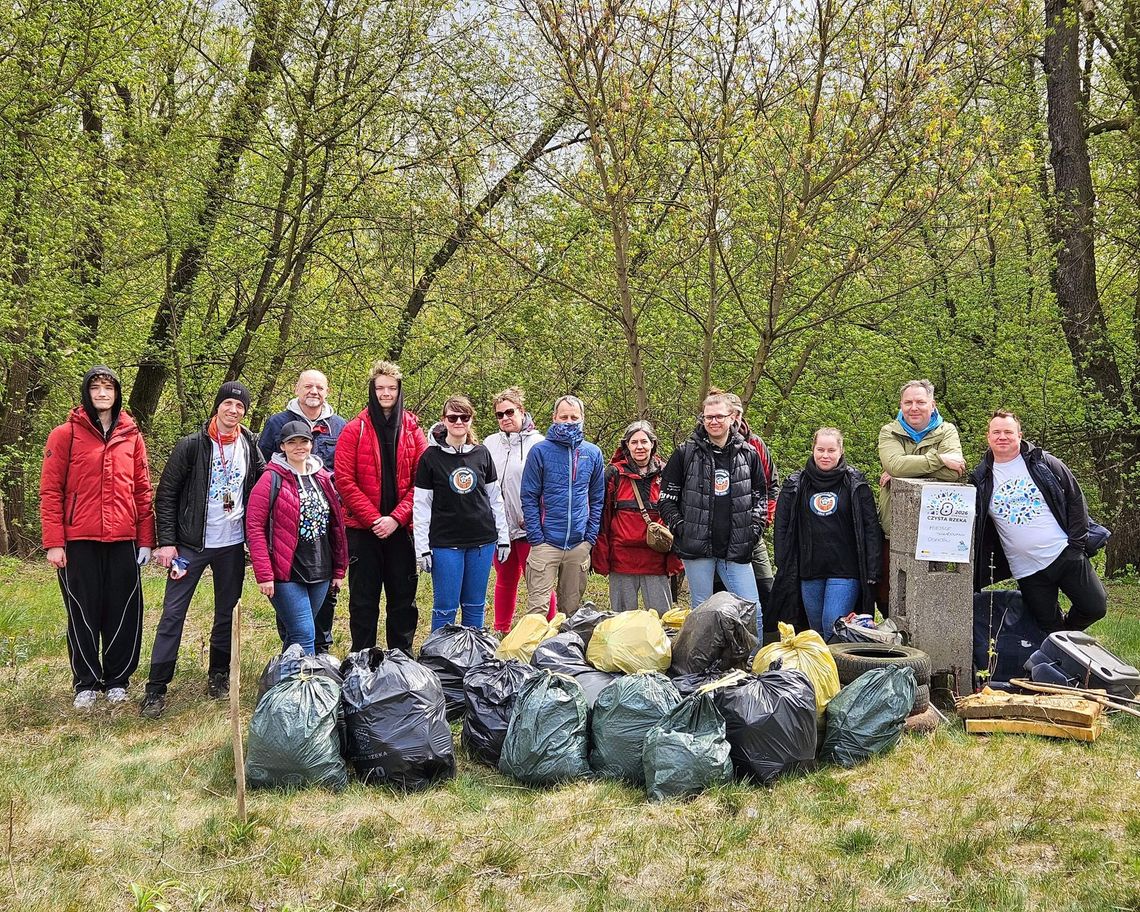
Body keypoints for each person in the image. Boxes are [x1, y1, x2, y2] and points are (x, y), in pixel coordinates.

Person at [141, 381, 266, 719]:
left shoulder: (250, 444)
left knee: (227, 613)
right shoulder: (192, 446)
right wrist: (166, 542)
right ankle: (156, 688)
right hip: (190, 546)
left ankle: (219, 675)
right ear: (217, 406)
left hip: (231, 547)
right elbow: (166, 496)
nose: (234, 410)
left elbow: (263, 485)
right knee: (172, 615)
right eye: (228, 404)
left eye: (240, 406)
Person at [40, 366, 155, 710]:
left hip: (123, 538)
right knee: (83, 611)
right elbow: (50, 491)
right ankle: (86, 682)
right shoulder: (65, 434)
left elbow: (142, 490)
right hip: (79, 539)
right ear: (86, 393)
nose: (103, 394)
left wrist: (146, 539)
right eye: (96, 388)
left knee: (124, 611)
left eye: (109, 388)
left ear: (117, 394)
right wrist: (55, 542)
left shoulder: (131, 435)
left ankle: (118, 680)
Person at [970, 410, 1107, 632]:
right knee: (1047, 627)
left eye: (1008, 432)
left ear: (1019, 435)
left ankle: (1068, 638)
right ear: (988, 437)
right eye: (996, 432)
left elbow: (1075, 500)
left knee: (1094, 607)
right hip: (1026, 569)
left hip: (1064, 553)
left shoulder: (1043, 462)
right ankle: (1063, 653)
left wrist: (1076, 546)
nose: (1002, 436)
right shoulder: (981, 478)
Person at [334, 360, 427, 651]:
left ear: (399, 391)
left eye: (391, 388)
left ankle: (401, 659)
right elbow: (345, 481)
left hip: (402, 529)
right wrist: (375, 519)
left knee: (402, 599)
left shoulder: (413, 430)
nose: (386, 393)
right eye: (380, 388)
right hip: (364, 530)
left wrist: (396, 519)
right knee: (363, 600)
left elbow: (423, 484)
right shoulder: (354, 429)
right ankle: (363, 658)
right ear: (372, 391)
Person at [658, 391, 766, 627]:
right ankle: (701, 663)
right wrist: (680, 527)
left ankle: (753, 662)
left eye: (718, 416)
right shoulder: (685, 453)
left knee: (751, 609)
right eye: (708, 417)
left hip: (736, 547)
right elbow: (665, 499)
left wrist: (754, 531)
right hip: (697, 548)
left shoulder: (749, 454)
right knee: (702, 613)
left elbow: (761, 498)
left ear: (731, 418)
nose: (713, 422)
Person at [258, 369, 346, 653]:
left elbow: (343, 476)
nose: (314, 391)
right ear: (297, 389)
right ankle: (300, 677)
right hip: (287, 547)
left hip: (323, 545)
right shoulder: (277, 424)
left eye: (319, 387)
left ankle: (315, 657)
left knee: (317, 615)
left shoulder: (339, 426)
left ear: (327, 391)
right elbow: (260, 470)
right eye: (308, 386)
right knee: (299, 626)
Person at [770, 427, 883, 636]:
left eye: (831, 450)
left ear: (841, 451)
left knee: (833, 625)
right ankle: (821, 669)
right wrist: (783, 562)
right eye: (820, 449)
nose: (825, 455)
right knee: (814, 631)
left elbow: (870, 528)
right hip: (809, 569)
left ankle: (838, 668)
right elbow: (782, 526)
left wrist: (873, 568)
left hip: (845, 570)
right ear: (812, 449)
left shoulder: (855, 483)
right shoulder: (796, 483)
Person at [413, 396, 510, 629]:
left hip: (481, 542)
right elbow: (422, 505)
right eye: (453, 417)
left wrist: (504, 538)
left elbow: (495, 498)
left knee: (475, 605)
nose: (459, 422)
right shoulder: (430, 457)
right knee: (446, 606)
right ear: (443, 420)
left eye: (464, 417)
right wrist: (422, 548)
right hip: (445, 543)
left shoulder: (482, 453)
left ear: (470, 420)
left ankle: (474, 658)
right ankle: (440, 659)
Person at [876, 379, 966, 613]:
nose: (913, 407)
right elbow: (895, 464)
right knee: (889, 592)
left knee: (933, 595)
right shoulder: (889, 431)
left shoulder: (947, 431)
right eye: (908, 402)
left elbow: (953, 474)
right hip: (894, 528)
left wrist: (903, 468)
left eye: (920, 402)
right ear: (901, 405)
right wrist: (939, 460)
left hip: (937, 530)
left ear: (932, 405)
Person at [520, 395, 605, 617]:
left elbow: (597, 498)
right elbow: (528, 496)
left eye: (574, 417)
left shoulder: (593, 453)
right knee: (537, 610)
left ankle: (568, 650)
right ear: (554, 418)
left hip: (578, 545)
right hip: (545, 544)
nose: (569, 421)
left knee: (571, 611)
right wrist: (536, 538)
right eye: (564, 416)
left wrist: (589, 539)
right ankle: (534, 649)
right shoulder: (540, 451)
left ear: (582, 418)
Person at [484, 387, 555, 633]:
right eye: (499, 414)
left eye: (509, 412)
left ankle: (549, 629)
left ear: (522, 411)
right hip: (500, 526)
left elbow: (550, 487)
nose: (505, 418)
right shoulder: (490, 443)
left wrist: (539, 516)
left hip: (530, 525)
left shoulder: (540, 443)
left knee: (537, 581)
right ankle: (501, 630)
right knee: (505, 579)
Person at [592, 420, 683, 613]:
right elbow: (603, 517)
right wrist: (601, 554)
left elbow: (677, 513)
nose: (639, 447)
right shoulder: (614, 474)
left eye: (644, 441)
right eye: (634, 442)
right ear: (626, 445)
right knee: (622, 619)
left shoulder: (667, 473)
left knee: (661, 618)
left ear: (652, 444)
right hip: (622, 557)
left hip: (656, 557)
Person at [724, 392, 779, 620]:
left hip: (751, 532)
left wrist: (762, 522)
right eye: (730, 413)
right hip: (718, 537)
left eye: (738, 413)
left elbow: (772, 487)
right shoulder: (704, 445)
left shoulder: (755, 443)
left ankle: (769, 644)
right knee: (724, 596)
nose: (734, 418)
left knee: (766, 588)